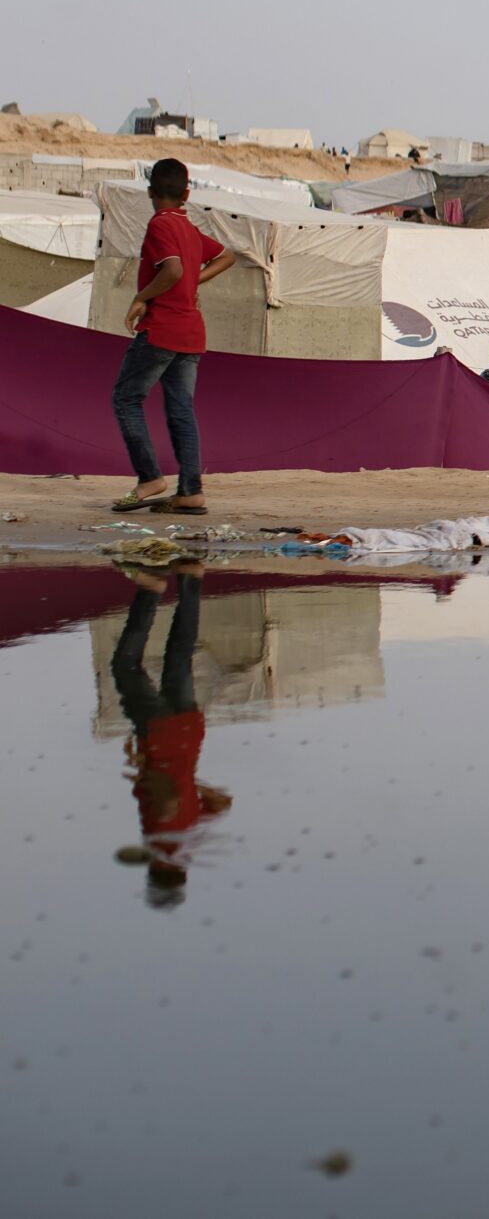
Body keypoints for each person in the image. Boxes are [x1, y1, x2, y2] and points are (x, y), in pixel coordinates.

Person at [110, 159, 237, 516]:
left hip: (162, 328)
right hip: (192, 333)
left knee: (125, 399)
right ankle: (191, 491)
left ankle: (149, 477)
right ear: (186, 194)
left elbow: (173, 269)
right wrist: (194, 283)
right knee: (181, 410)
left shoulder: (160, 225)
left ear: (150, 192)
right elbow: (227, 256)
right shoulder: (188, 227)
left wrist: (141, 298)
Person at [109, 561, 229, 908]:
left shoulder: (190, 834)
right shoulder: (162, 840)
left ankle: (190, 578)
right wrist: (145, 769)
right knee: (125, 668)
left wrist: (189, 781)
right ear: (159, 870)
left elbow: (222, 803)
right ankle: (149, 589)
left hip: (190, 732)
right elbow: (167, 802)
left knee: (180, 656)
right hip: (159, 733)